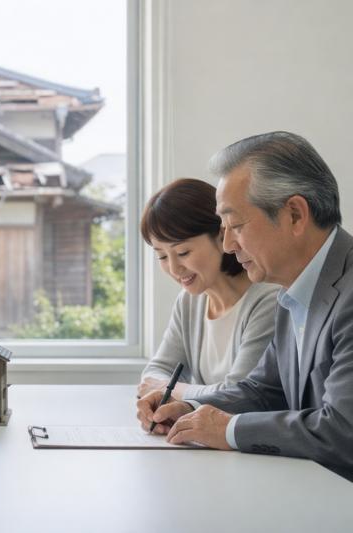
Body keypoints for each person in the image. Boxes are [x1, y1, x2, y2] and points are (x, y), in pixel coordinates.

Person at [137, 131, 353, 481]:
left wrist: (228, 429)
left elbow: (343, 430)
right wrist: (190, 411)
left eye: (235, 225)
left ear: (295, 215)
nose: (227, 244)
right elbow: (263, 391)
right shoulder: (291, 290)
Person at [138, 178, 279, 401]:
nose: (174, 268)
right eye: (162, 256)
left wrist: (170, 391)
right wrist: (162, 395)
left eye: (183, 252)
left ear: (222, 235)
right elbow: (156, 372)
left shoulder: (269, 301)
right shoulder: (189, 303)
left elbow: (239, 393)